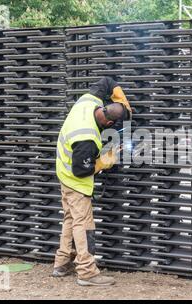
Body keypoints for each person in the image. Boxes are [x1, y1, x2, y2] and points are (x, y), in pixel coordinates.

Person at [52, 77, 131, 286]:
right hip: (74, 179)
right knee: (83, 224)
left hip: (63, 171)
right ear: (110, 123)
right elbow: (81, 170)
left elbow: (106, 82)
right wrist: (105, 161)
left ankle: (61, 263)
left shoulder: (88, 101)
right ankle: (87, 272)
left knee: (70, 219)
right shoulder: (86, 138)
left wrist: (121, 98)